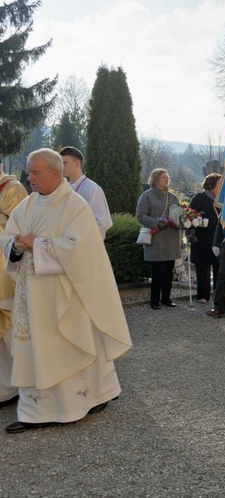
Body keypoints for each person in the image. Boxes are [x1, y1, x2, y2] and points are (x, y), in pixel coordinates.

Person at [0, 148, 131, 434]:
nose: (29, 178)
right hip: (31, 295)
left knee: (71, 343)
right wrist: (16, 245)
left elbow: (81, 249)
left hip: (65, 294)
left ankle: (90, 398)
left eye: (36, 172)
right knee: (38, 348)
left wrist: (40, 245)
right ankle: (36, 408)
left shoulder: (75, 206)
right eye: (29, 172)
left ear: (56, 174)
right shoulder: (28, 205)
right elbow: (8, 237)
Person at [0, 161, 28, 409]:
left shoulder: (13, 188)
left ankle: (10, 388)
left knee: (7, 331)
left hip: (4, 273)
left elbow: (16, 231)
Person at [136, 168, 182, 310]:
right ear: (155, 179)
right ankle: (154, 300)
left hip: (171, 239)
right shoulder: (147, 196)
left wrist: (182, 220)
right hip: (157, 239)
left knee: (169, 271)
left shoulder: (173, 197)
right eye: (163, 177)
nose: (166, 179)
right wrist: (157, 222)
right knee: (158, 272)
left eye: (167, 177)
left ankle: (166, 299)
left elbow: (179, 214)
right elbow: (141, 215)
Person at [60, 146, 113, 239]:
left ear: (76, 164)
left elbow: (103, 222)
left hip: (87, 246)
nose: (61, 166)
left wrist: (78, 237)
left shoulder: (92, 189)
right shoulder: (64, 189)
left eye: (64, 163)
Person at [189, 173, 222, 303]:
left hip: (219, 239)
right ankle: (203, 295)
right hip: (202, 238)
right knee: (203, 268)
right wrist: (192, 235)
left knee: (220, 267)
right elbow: (190, 216)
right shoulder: (199, 198)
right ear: (211, 185)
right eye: (220, 183)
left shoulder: (222, 199)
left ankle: (220, 294)